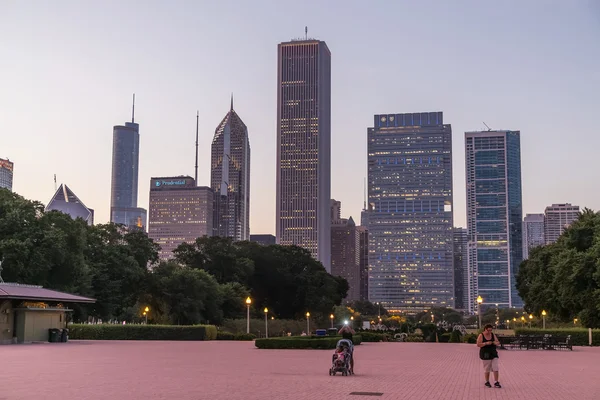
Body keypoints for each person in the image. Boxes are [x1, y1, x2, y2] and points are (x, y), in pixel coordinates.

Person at [477, 324, 501, 388]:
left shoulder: (493, 335)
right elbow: (478, 344)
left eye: (491, 330)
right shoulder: (481, 335)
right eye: (488, 330)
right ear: (485, 329)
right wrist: (485, 343)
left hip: (493, 353)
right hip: (485, 353)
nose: (489, 332)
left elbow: (497, 342)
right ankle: (487, 381)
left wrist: (495, 343)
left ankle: (496, 382)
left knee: (495, 367)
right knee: (487, 368)